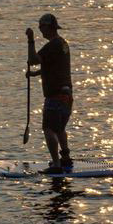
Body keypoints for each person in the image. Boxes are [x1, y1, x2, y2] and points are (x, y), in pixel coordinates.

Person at [25, 12, 73, 174]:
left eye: (41, 27)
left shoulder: (53, 45)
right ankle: (65, 158)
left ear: (49, 27)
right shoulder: (63, 44)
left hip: (55, 96)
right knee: (59, 128)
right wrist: (35, 74)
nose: (40, 30)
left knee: (48, 129)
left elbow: (33, 60)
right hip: (67, 95)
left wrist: (30, 40)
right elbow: (55, 66)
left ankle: (57, 165)